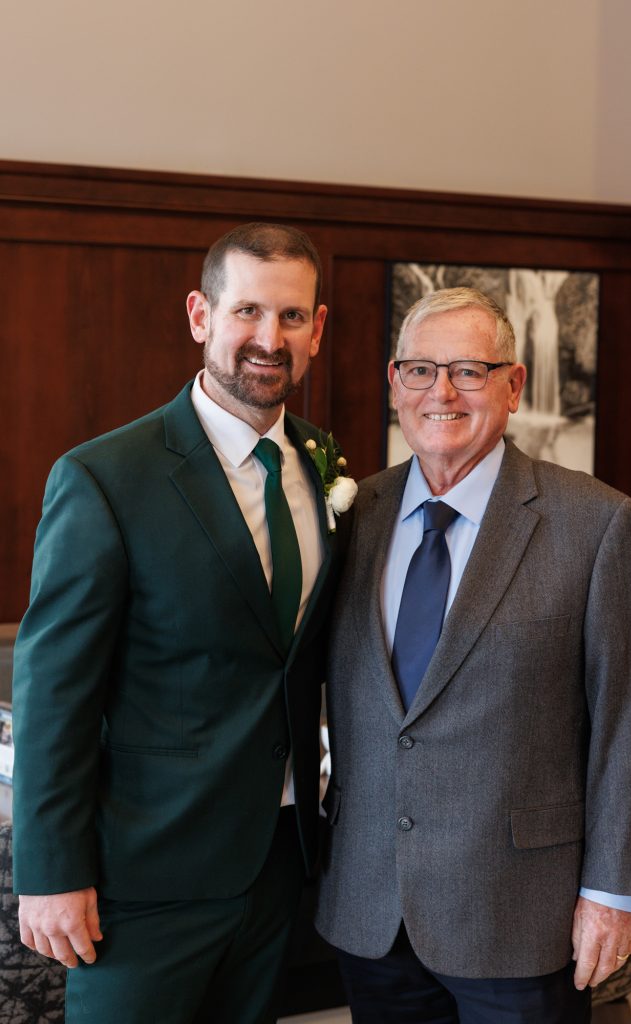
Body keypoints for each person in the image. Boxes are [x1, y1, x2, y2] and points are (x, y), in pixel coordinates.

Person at [12, 222, 347, 1024]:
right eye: (247, 311)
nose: (269, 339)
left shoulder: (321, 463)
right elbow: (54, 693)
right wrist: (51, 873)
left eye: (291, 317)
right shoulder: (106, 477)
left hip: (280, 862)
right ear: (201, 315)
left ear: (316, 329)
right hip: (145, 875)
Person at [315, 287, 631, 1023]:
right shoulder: (353, 516)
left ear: (513, 386)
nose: (441, 392)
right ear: (395, 384)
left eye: (469, 371)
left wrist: (613, 894)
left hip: (522, 914)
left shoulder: (598, 524)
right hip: (372, 906)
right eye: (420, 370)